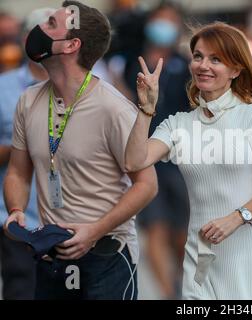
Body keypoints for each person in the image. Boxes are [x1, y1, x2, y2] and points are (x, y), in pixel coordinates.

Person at [2, 0, 158, 300]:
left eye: (50, 25)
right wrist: (17, 210)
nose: (37, 29)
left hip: (107, 257)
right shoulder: (28, 101)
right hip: (51, 257)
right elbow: (18, 173)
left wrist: (96, 229)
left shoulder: (113, 109)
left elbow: (147, 185)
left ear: (71, 45)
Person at [125, 22, 252, 299]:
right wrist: (145, 110)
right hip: (199, 260)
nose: (203, 65)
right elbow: (135, 161)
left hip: (247, 257)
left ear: (236, 70)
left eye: (216, 59)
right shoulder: (178, 124)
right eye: (198, 56)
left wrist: (236, 218)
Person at [126, 2, 190, 299]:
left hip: (180, 162)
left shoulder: (188, 65)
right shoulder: (128, 63)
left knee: (182, 235)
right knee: (155, 230)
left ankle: (182, 285)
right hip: (144, 162)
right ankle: (168, 294)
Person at [0, 7, 53, 300]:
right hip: (20, 220)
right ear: (26, 39)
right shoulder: (3, 88)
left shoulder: (86, 88)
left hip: (70, 223)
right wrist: (18, 146)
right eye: (40, 34)